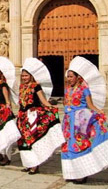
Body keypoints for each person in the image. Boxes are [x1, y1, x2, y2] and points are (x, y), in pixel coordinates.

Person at [61, 56, 108, 184]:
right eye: (68, 76)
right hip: (68, 120)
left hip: (80, 120)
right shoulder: (67, 89)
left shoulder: (84, 89)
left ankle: (82, 173)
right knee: (68, 145)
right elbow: (66, 104)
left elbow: (90, 105)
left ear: (78, 77)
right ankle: (71, 172)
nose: (69, 79)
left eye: (71, 76)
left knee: (79, 144)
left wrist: (99, 112)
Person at [17, 58, 65, 175]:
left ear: (31, 76)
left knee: (32, 140)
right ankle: (28, 163)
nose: (24, 78)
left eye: (26, 76)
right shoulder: (21, 87)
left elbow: (43, 100)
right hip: (22, 117)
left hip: (33, 115)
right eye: (23, 76)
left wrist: (51, 108)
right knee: (23, 141)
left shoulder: (36, 87)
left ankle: (35, 165)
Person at [0, 56, 21, 166]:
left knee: (5, 133)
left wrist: (8, 110)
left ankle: (7, 156)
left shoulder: (3, 85)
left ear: (1, 74)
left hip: (2, 112)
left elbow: (7, 100)